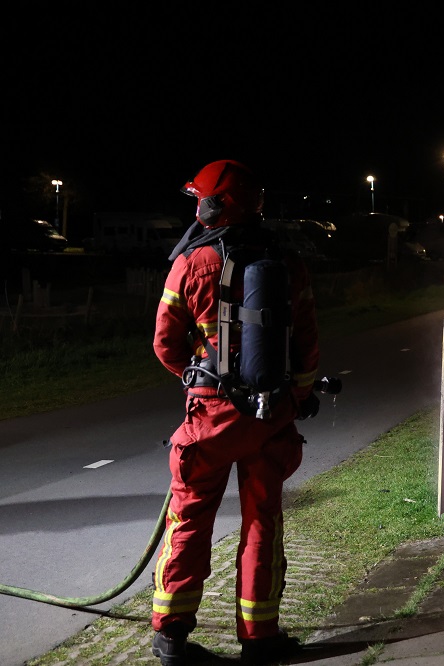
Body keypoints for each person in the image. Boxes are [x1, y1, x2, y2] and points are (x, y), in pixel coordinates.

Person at [151, 159, 321, 665]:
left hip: (209, 419)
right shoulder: (289, 263)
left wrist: (194, 379)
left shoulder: (190, 264)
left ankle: (172, 638)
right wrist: (297, 395)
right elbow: (307, 346)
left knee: (188, 522)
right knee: (262, 523)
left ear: (210, 205)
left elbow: (164, 343)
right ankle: (260, 637)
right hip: (271, 418)